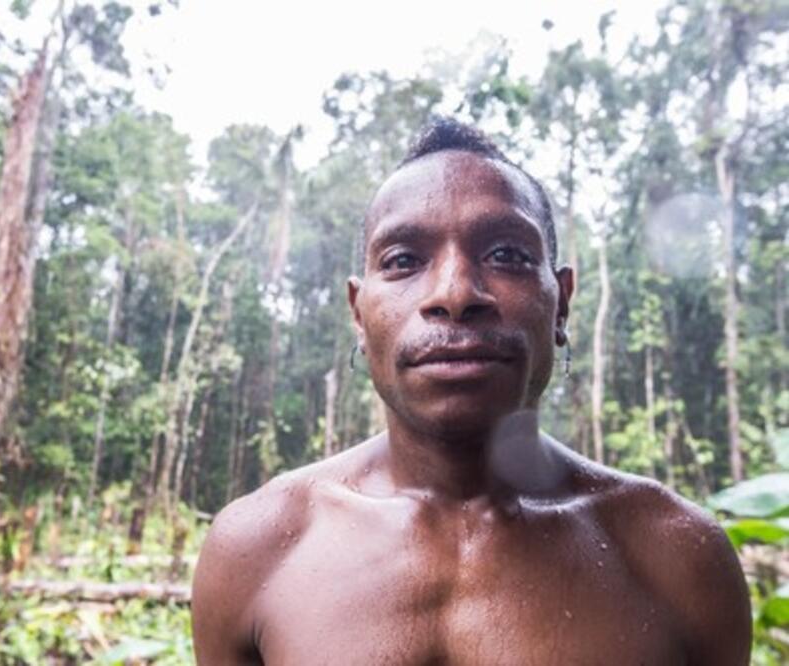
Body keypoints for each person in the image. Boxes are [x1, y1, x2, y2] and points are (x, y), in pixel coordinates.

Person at [191, 119, 752, 665]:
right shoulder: (257, 550)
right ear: (359, 315)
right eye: (404, 260)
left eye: (505, 254)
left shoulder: (678, 557)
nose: (455, 292)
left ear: (561, 302)